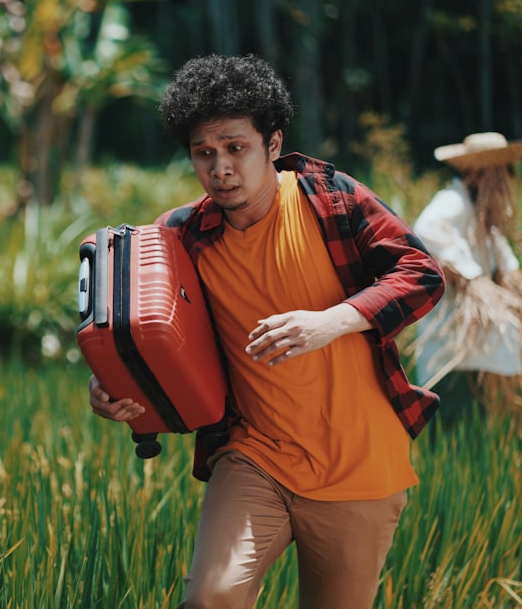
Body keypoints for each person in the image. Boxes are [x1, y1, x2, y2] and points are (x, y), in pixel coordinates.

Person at [87, 54, 446, 609]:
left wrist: (333, 320)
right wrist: (112, 387)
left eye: (236, 148)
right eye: (203, 154)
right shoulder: (181, 236)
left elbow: (421, 274)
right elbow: (133, 329)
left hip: (362, 467)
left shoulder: (331, 199)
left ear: (273, 145)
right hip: (256, 455)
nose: (220, 168)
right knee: (211, 597)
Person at [411, 132, 522, 416]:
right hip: (451, 348)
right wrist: (472, 277)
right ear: (484, 175)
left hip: (476, 350)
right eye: (505, 174)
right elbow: (426, 228)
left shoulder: (481, 214)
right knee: (453, 425)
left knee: (477, 423)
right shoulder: (453, 201)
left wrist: (510, 277)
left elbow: (503, 257)